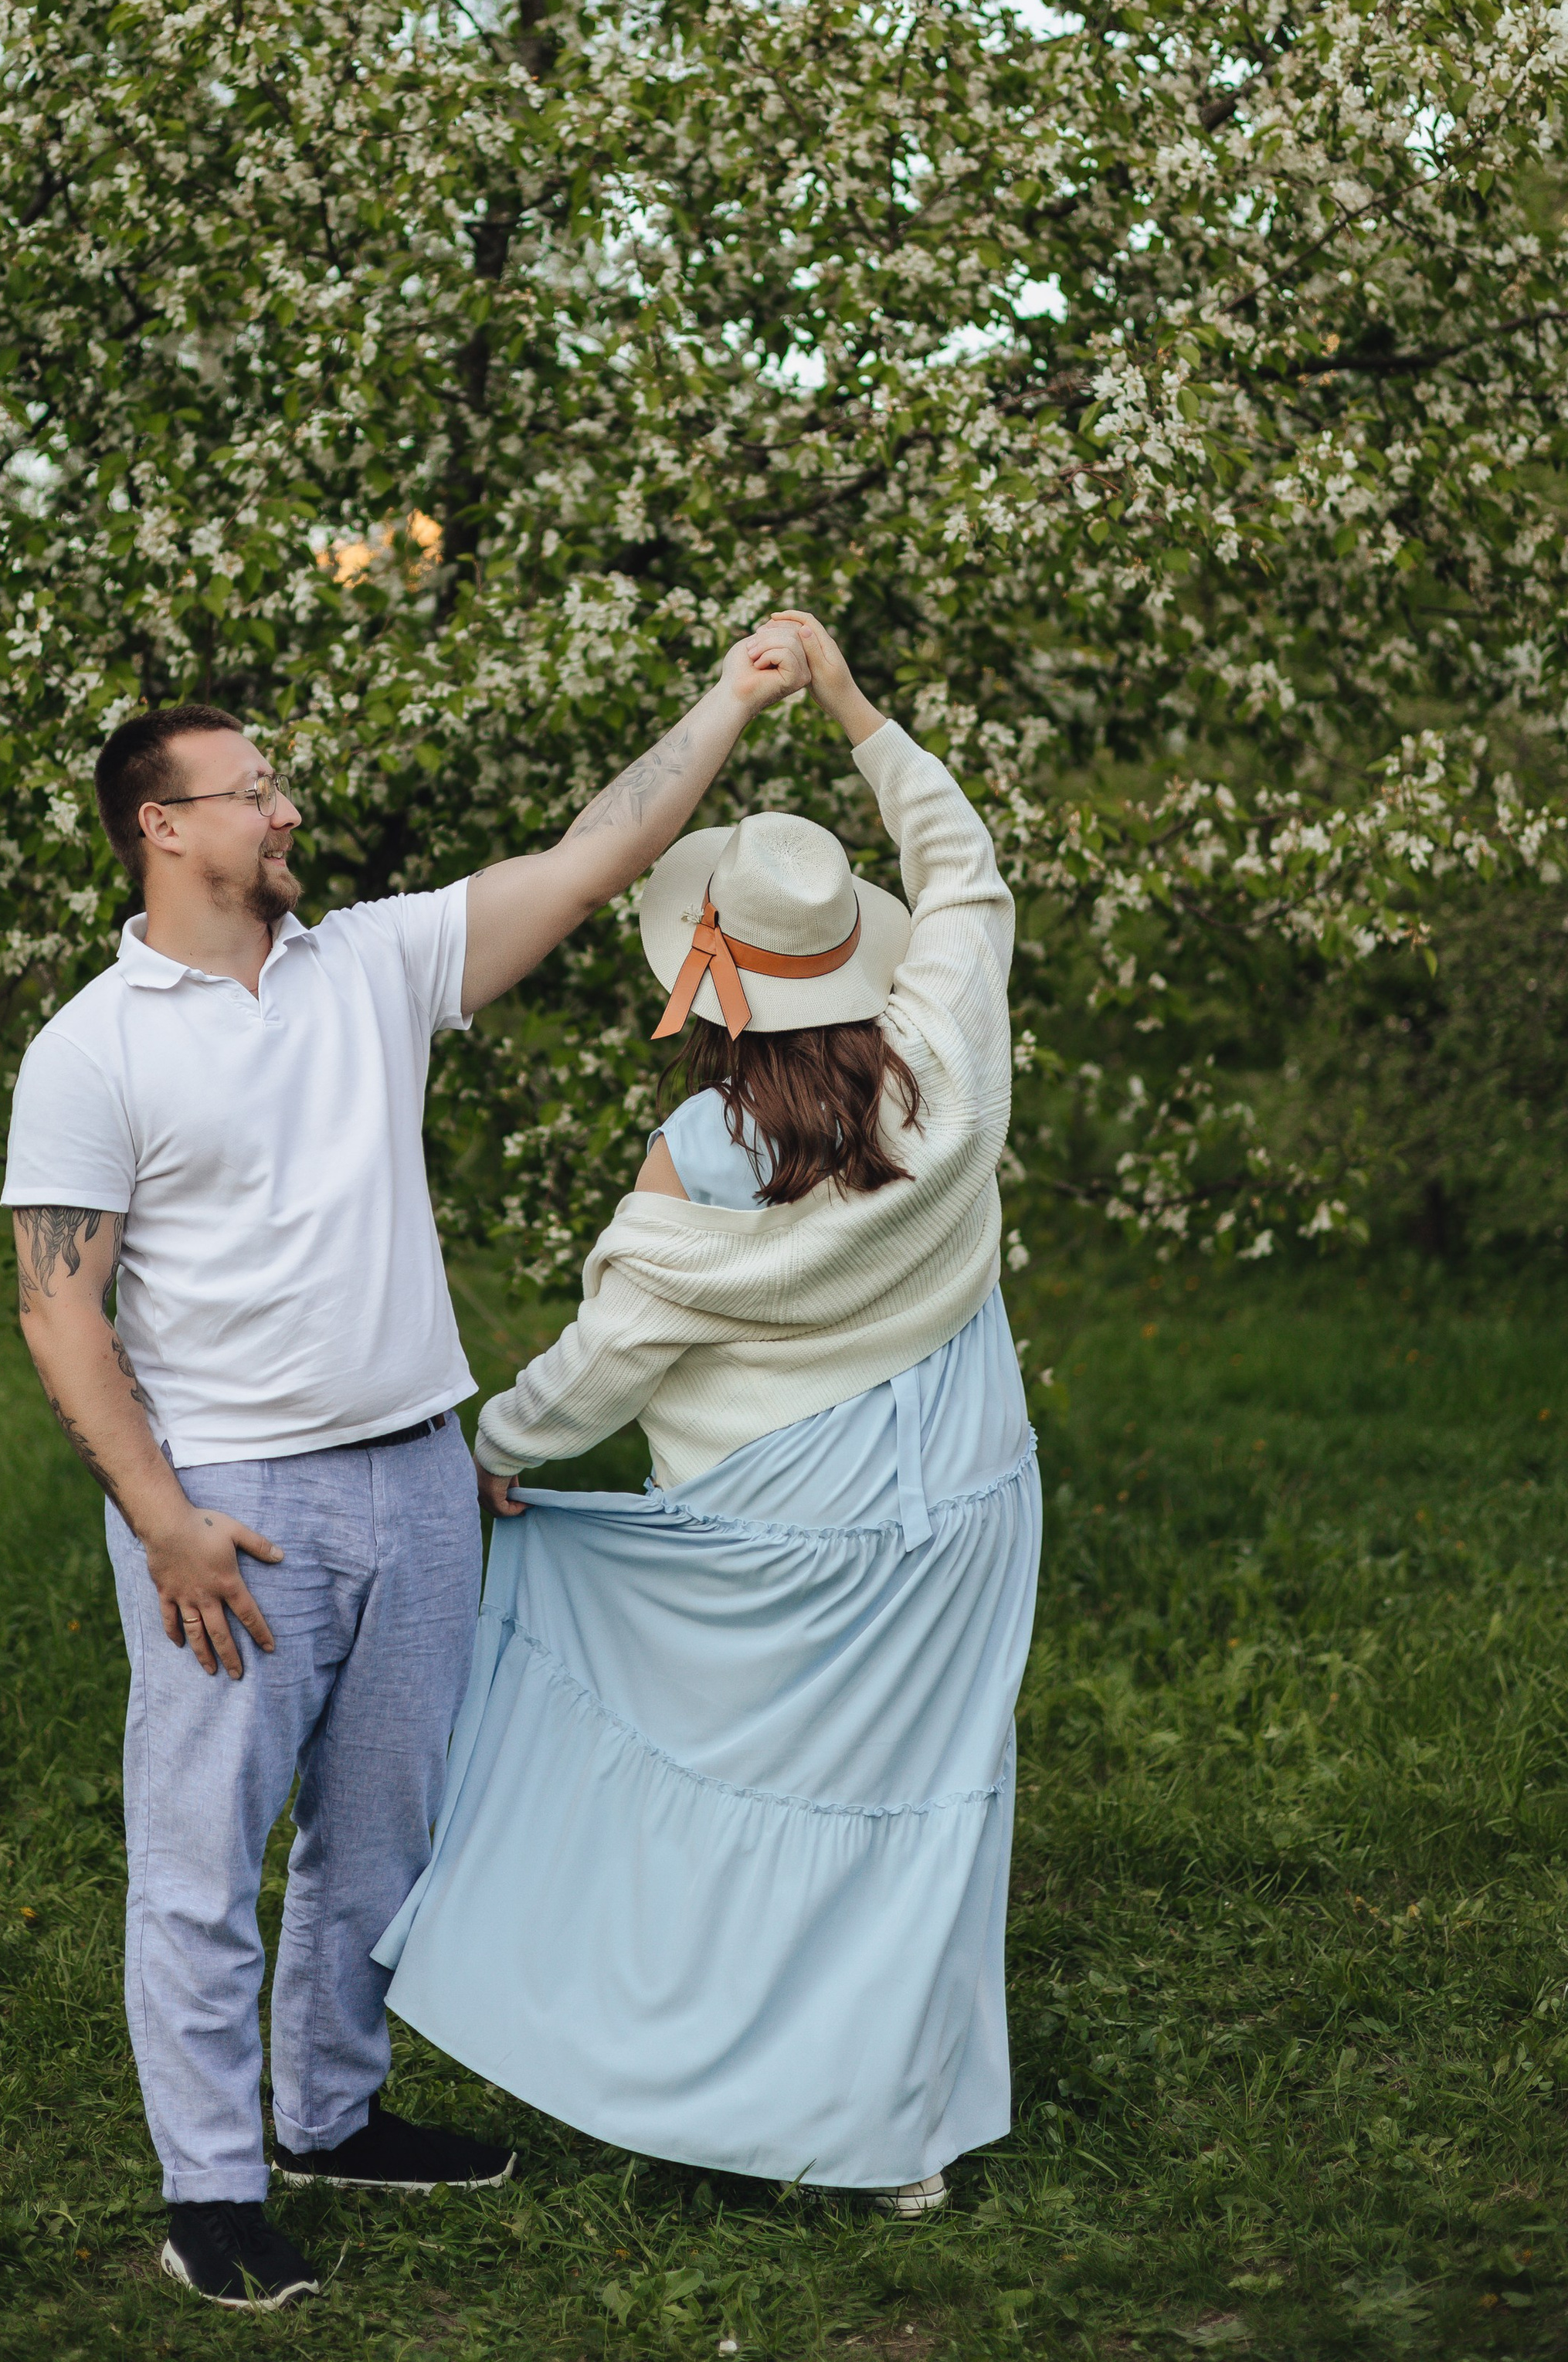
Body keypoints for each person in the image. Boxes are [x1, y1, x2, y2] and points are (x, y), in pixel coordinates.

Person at [0, 626, 809, 2309]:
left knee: (381, 1842)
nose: (286, 812)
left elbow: (600, 856)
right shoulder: (96, 1046)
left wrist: (727, 697)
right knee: (204, 1862)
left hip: (419, 1477)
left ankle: (332, 2114)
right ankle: (211, 2190)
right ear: (161, 826)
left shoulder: (368, 965)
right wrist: (164, 1526)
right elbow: (61, 1317)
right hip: (239, 1512)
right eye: (254, 791)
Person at [374, 613, 1040, 2214]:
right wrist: (859, 708)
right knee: (923, 1798)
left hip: (783, 1516)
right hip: (960, 1489)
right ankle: (894, 2139)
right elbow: (963, 869)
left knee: (738, 1788)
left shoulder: (704, 1144)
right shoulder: (944, 1049)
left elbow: (613, 1355)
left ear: (708, 968)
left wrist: (499, 1453)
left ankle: (736, 2079)